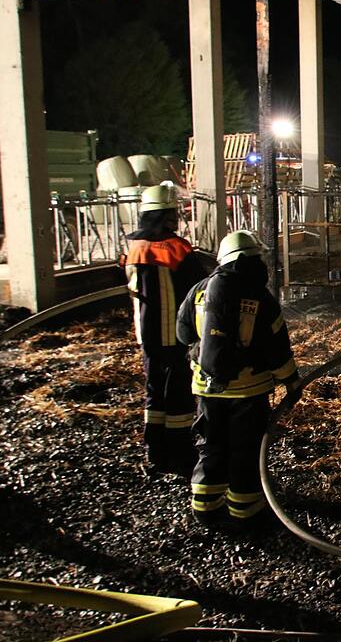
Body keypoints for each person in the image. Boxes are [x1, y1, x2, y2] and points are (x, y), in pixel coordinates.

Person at [176, 231, 299, 528]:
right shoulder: (260, 297)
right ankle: (246, 511)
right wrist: (291, 381)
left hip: (207, 389)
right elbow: (276, 349)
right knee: (245, 450)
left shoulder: (200, 291)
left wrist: (200, 353)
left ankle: (204, 507)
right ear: (250, 260)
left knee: (211, 446)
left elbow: (183, 333)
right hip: (249, 391)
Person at [122, 183, 208, 478]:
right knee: (179, 396)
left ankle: (155, 450)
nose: (176, 219)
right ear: (163, 216)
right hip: (174, 335)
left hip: (147, 336)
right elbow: (200, 286)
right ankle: (180, 451)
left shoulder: (133, 248)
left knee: (154, 392)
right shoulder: (176, 248)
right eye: (172, 214)